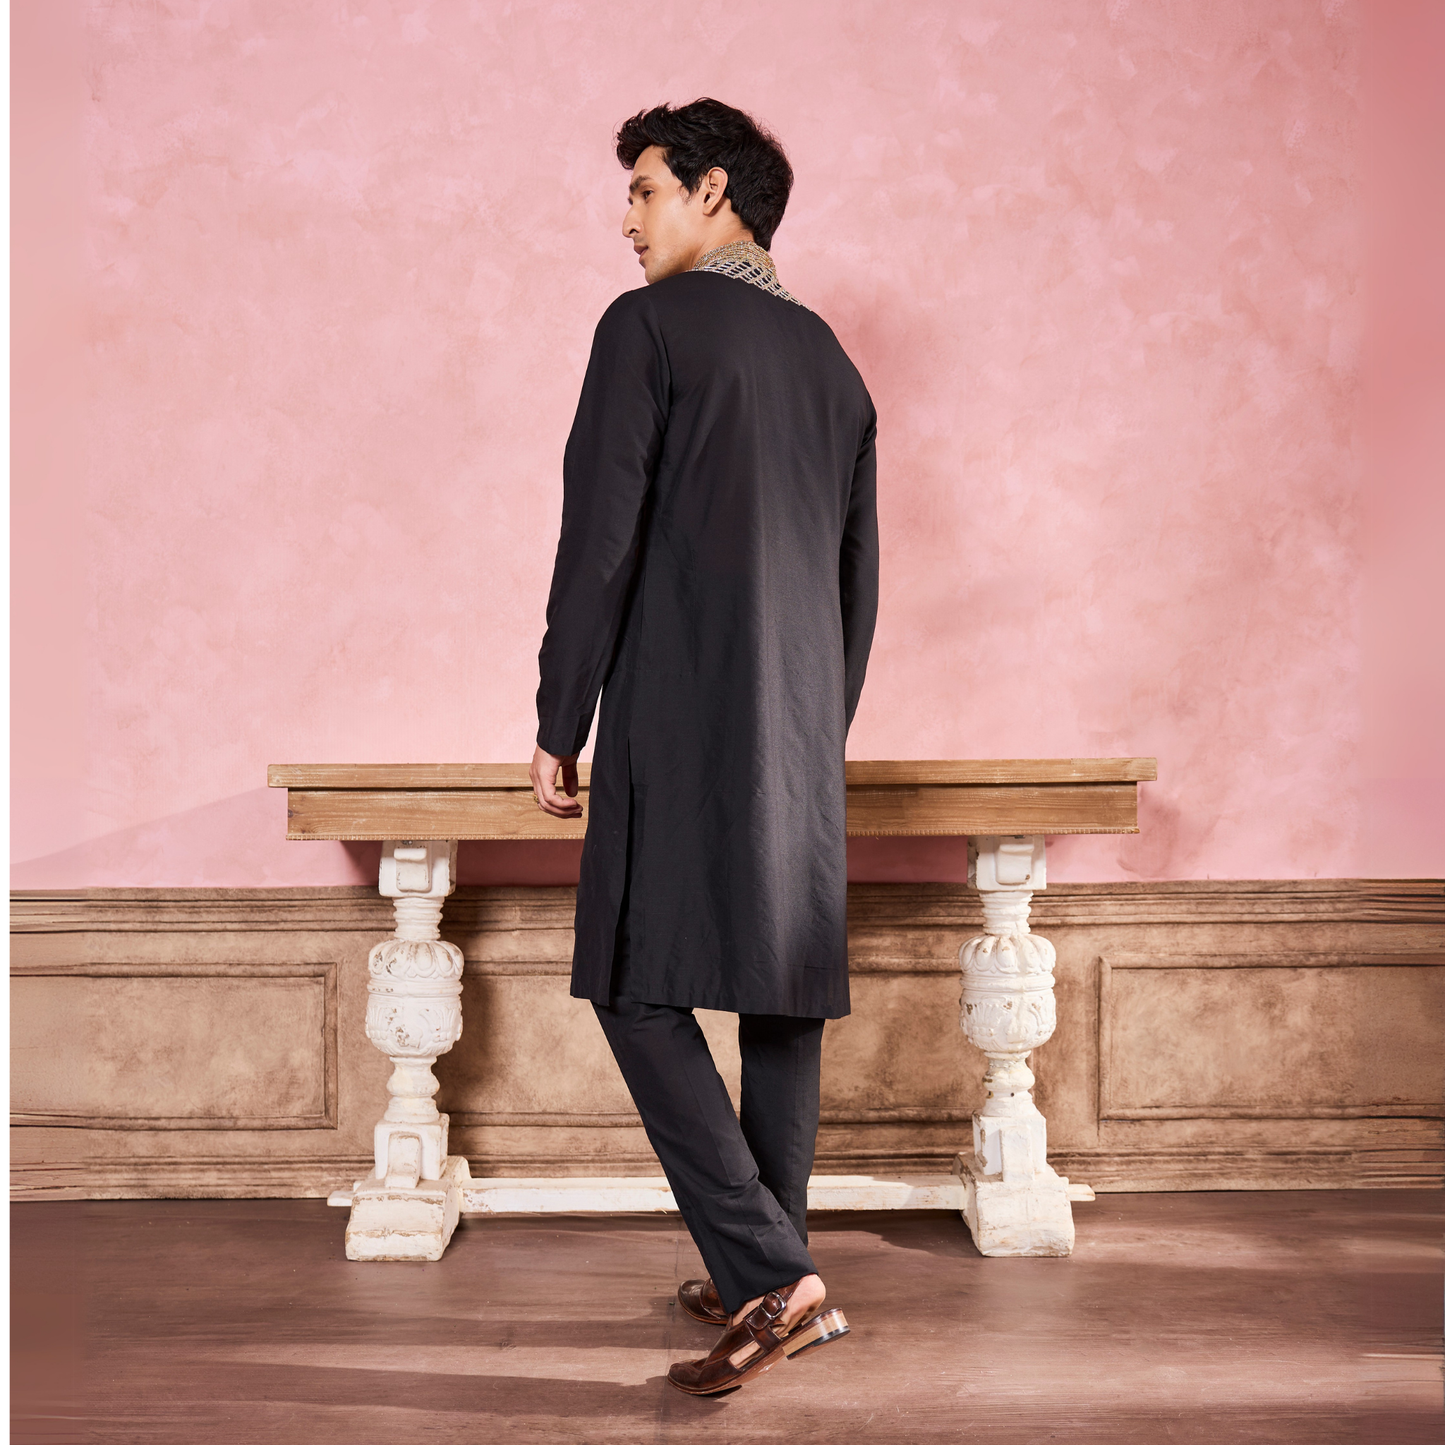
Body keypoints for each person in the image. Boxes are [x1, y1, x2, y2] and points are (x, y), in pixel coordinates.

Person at [530, 98, 878, 1396]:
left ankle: (771, 1274)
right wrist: (813, 733)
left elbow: (599, 539)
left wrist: (560, 716)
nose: (626, 219)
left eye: (645, 189)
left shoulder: (650, 328)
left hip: (678, 718)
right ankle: (768, 1276)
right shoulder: (835, 364)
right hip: (800, 731)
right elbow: (858, 590)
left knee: (632, 980)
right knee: (780, 1003)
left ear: (712, 190)